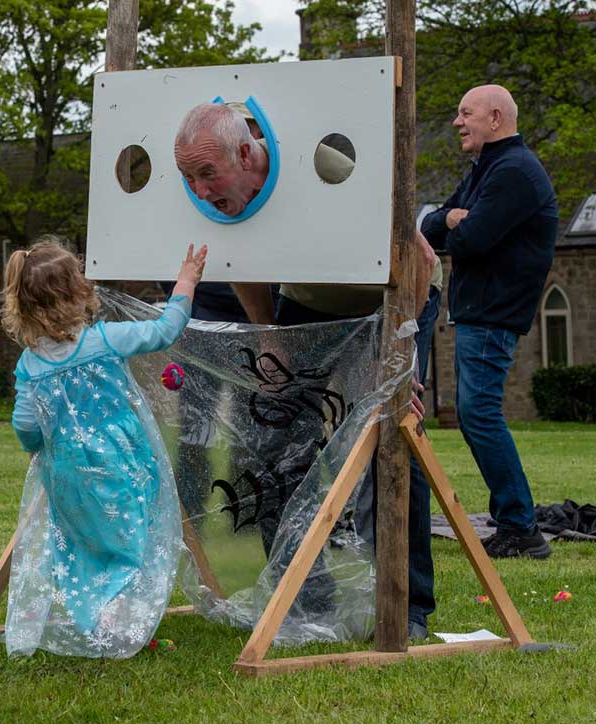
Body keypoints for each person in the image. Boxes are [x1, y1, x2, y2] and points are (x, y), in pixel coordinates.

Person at [173, 101, 440, 637]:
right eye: (188, 178)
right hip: (309, 308)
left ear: (247, 153)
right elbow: (241, 258)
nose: (199, 192)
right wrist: (271, 332)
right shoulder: (225, 201)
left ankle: (405, 606)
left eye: (207, 173)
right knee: (268, 442)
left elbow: (424, 260)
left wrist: (396, 352)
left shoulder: (325, 167)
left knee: (388, 437)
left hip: (391, 304)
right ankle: (306, 597)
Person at [1, 236, 209, 658]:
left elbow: (24, 423)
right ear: (78, 292)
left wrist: (36, 445)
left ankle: (99, 612)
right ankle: (117, 621)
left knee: (87, 542)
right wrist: (186, 281)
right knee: (131, 541)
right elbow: (165, 329)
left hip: (67, 473)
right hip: (120, 462)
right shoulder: (105, 340)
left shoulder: (31, 364)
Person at [419, 84, 559, 560]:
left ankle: (520, 526)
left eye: (466, 114)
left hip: (493, 312)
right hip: (480, 310)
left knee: (478, 412)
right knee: (475, 412)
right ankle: (516, 522)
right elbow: (429, 226)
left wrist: (459, 222)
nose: (457, 122)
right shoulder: (488, 169)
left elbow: (471, 239)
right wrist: (455, 219)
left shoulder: (514, 172)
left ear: (495, 117)